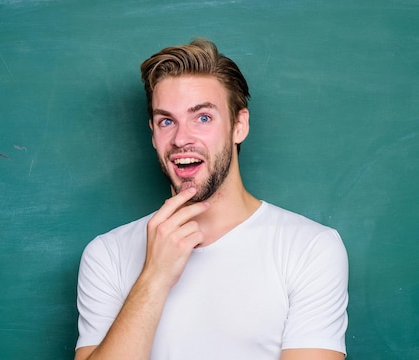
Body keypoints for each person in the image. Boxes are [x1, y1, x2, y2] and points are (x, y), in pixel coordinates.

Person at [75, 38, 349, 360]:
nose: (180, 138)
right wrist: (155, 277)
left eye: (202, 117)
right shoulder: (107, 255)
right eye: (166, 121)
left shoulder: (310, 248)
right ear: (152, 133)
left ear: (239, 125)